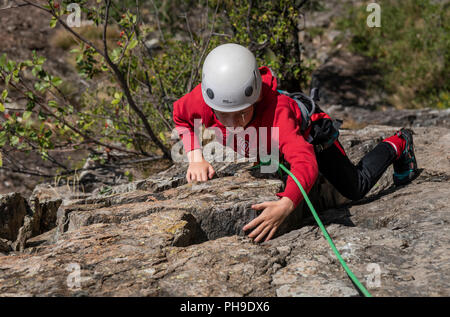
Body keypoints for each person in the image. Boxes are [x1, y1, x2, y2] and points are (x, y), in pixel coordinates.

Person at [173, 43, 418, 243]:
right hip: (267, 145)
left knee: (355, 187)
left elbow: (305, 159)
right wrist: (195, 157)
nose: (231, 123)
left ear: (257, 96)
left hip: (313, 135)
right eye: (222, 114)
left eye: (240, 114)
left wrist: (287, 204)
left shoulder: (278, 114)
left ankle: (398, 143)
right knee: (270, 162)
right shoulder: (205, 99)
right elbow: (181, 117)